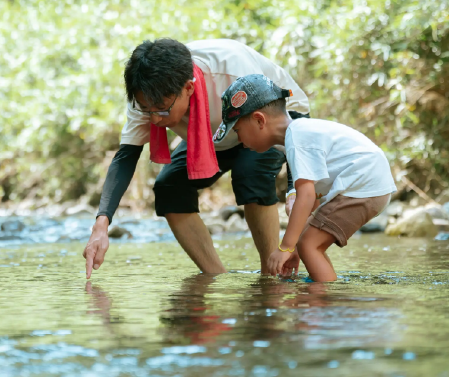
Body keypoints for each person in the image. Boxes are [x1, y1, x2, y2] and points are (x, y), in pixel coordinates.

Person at [81, 38, 311, 277]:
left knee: (251, 173)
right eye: (145, 109)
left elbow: (286, 128)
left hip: (271, 119)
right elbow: (127, 155)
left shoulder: (231, 71)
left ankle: (271, 276)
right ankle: (216, 278)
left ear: (188, 88)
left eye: (161, 109)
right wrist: (102, 223)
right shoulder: (146, 96)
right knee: (169, 187)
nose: (154, 120)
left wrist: (295, 188)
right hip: (212, 133)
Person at [221, 75, 396, 284]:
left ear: (259, 120)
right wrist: (294, 249)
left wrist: (285, 247)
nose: (238, 139)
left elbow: (306, 196)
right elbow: (313, 201)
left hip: (363, 185)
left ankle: (321, 303)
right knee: (309, 244)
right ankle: (323, 291)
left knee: (309, 245)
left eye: (238, 130)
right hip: (369, 184)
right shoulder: (299, 134)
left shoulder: (297, 137)